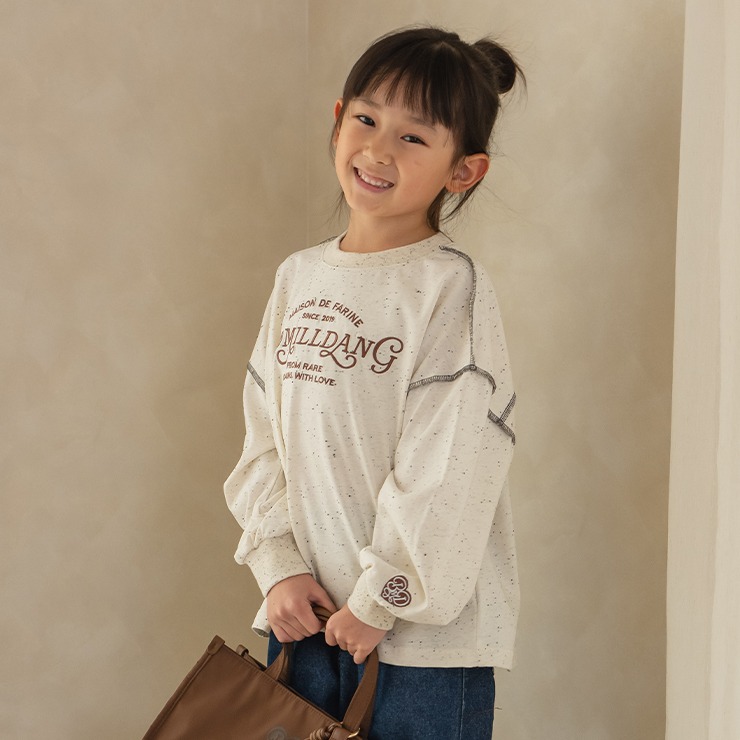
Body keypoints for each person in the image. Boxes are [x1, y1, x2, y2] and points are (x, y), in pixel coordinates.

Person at [224, 25, 524, 740]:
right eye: (366, 119)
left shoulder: (449, 288)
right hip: (306, 618)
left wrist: (381, 599)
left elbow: (452, 464)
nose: (380, 150)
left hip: (417, 645)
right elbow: (264, 436)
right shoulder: (298, 276)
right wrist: (277, 565)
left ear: (464, 171)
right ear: (338, 122)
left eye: (414, 137)